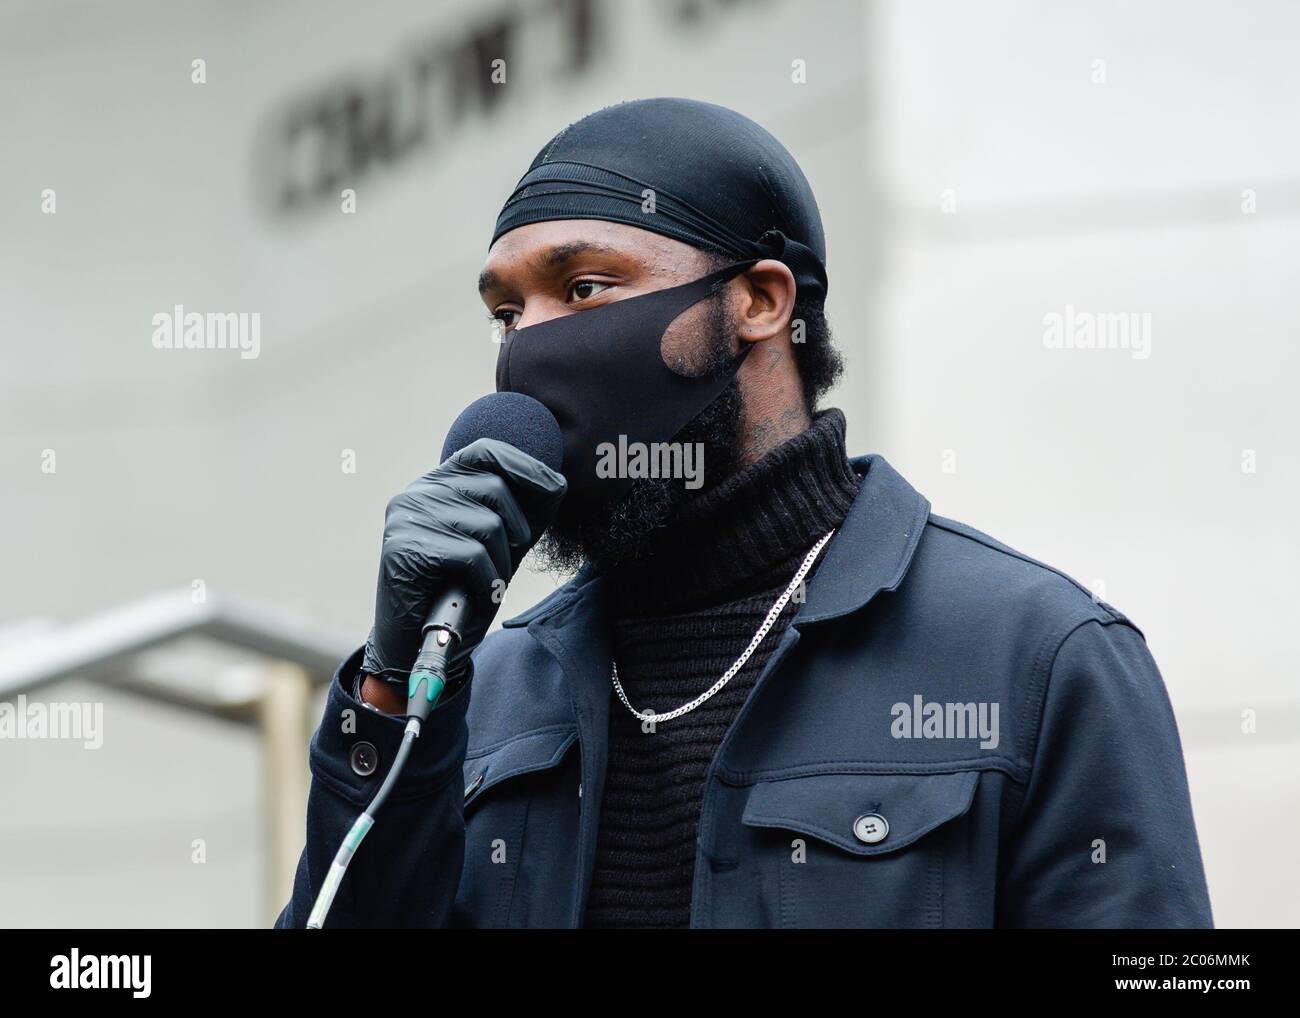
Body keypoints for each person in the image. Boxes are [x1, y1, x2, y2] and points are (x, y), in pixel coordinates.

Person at [277, 98, 1213, 929]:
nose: (528, 348)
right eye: (507, 313)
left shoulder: (1036, 655)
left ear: (761, 301)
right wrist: (395, 693)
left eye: (585, 289)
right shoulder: (488, 691)